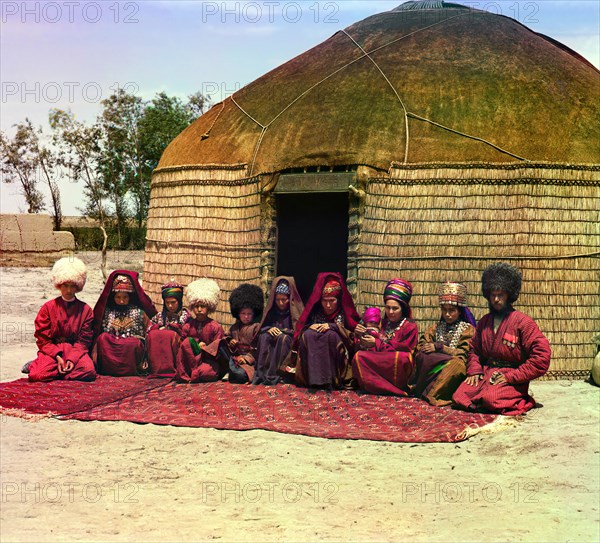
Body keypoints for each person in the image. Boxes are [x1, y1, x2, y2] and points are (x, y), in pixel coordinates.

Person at [452, 262, 551, 416]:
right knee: (459, 396)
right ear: (488, 295)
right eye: (493, 295)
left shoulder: (523, 323)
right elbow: (474, 350)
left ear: (509, 295)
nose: (496, 299)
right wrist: (475, 371)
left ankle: (521, 399)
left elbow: (542, 357)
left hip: (512, 375)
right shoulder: (485, 321)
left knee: (491, 399)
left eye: (501, 295)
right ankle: (483, 403)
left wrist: (511, 376)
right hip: (487, 373)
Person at [28, 257, 96, 382]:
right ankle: (42, 364)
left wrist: (72, 359)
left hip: (74, 349)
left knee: (88, 372)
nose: (69, 290)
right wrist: (58, 357)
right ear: (59, 284)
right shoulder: (47, 308)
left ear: (78, 286)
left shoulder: (86, 310)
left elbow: (84, 341)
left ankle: (57, 371)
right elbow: (43, 340)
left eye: (72, 286)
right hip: (52, 350)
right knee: (36, 375)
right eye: (65, 285)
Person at [411, 282, 476, 406]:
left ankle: (433, 394)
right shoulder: (435, 328)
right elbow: (422, 345)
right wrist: (427, 348)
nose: (447, 314)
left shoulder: (468, 329)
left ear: (460, 311)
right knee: (421, 356)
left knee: (456, 364)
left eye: (452, 310)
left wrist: (441, 348)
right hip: (435, 365)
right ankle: (422, 389)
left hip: (453, 365)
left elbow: (465, 352)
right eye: (444, 310)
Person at [291, 272, 360, 389]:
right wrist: (309, 327)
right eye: (325, 301)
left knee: (331, 336)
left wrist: (334, 327)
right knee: (308, 335)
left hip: (338, 352)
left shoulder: (343, 313)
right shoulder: (316, 312)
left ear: (338, 299)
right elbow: (302, 328)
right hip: (315, 341)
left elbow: (351, 336)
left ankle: (331, 379)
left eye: (332, 300)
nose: (328, 305)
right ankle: (313, 379)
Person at [351, 278, 418, 396]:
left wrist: (376, 343)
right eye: (388, 308)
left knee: (403, 358)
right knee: (359, 357)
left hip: (395, 362)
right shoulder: (381, 323)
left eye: (395, 308)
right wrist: (359, 335)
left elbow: (406, 350)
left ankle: (395, 389)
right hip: (380, 359)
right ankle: (375, 387)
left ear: (403, 308)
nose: (390, 312)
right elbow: (364, 343)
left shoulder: (410, 326)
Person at [93, 270, 157, 377]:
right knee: (103, 339)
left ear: (130, 297)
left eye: (125, 297)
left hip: (130, 348)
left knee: (134, 344)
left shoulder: (138, 312)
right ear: (113, 297)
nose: (121, 301)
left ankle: (131, 369)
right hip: (112, 346)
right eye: (118, 297)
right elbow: (98, 332)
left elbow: (150, 330)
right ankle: (108, 368)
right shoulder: (107, 312)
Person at [252, 277, 304, 386]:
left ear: (289, 298)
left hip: (288, 340)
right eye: (277, 300)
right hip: (273, 337)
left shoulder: (294, 311)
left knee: (282, 338)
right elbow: (261, 327)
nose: (280, 303)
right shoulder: (271, 311)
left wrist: (283, 331)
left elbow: (299, 331)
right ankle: (262, 373)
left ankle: (279, 374)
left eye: (284, 299)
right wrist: (269, 329)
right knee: (264, 337)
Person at [175, 278, 226, 383]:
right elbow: (182, 346)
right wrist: (195, 346)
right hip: (190, 360)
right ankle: (190, 372)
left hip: (208, 361)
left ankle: (193, 373)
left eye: (202, 306)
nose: (199, 309)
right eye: (196, 306)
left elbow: (218, 349)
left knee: (205, 372)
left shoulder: (215, 327)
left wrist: (205, 349)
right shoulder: (188, 326)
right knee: (187, 342)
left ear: (208, 307)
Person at [220, 283, 264, 384]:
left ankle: (233, 373)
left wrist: (247, 359)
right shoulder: (235, 327)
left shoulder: (256, 327)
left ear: (254, 314)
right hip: (236, 357)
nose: (246, 317)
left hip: (248, 361)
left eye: (249, 314)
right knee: (220, 344)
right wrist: (230, 341)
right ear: (238, 314)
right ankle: (230, 371)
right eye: (243, 314)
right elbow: (227, 336)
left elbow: (258, 347)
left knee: (241, 375)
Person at [146, 280, 190, 378]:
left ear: (179, 301)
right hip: (159, 350)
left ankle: (172, 368)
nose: (170, 306)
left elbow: (188, 335)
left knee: (170, 335)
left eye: (173, 302)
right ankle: (156, 369)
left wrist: (172, 330)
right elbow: (148, 330)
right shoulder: (159, 316)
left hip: (175, 351)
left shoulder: (186, 316)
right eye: (167, 302)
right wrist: (157, 329)